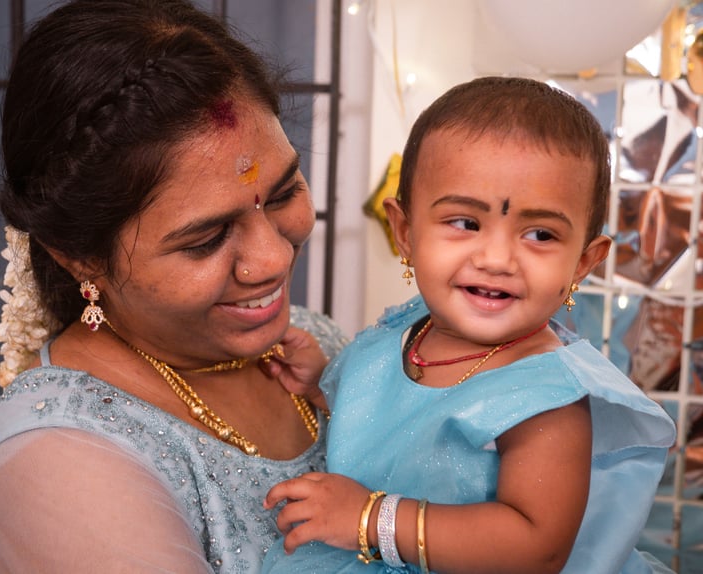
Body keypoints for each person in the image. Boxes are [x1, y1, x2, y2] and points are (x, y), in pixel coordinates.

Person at [0, 1, 348, 572]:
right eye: (206, 238)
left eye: (283, 193)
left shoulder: (308, 343)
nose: (271, 258)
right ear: (82, 258)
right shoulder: (58, 469)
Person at [261, 77, 677, 574]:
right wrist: (323, 383)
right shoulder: (408, 328)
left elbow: (535, 548)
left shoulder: (545, 397)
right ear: (406, 232)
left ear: (584, 263)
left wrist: (371, 518)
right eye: (465, 223)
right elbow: (394, 424)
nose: (497, 258)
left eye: (540, 234)